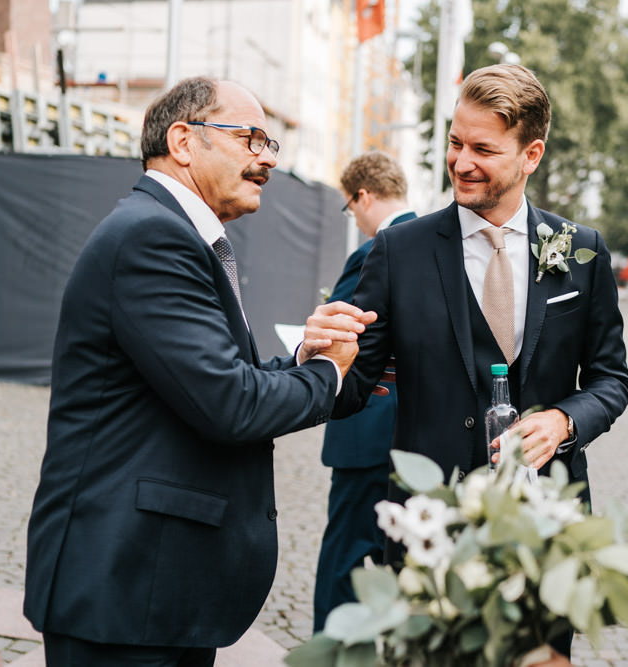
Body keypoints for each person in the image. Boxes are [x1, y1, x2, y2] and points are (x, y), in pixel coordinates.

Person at [23, 76, 373, 666]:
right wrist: (330, 374)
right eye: (251, 138)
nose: (266, 158)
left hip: (157, 588)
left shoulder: (171, 232)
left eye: (271, 144)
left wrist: (301, 361)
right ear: (183, 141)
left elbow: (208, 380)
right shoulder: (153, 236)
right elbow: (229, 404)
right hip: (126, 591)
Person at [330, 64, 628, 656]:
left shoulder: (581, 251)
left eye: (483, 149)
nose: (461, 161)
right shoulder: (398, 251)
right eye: (454, 143)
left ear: (531, 154)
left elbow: (611, 379)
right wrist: (324, 357)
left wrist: (566, 421)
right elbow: (352, 384)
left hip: (544, 536)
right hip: (429, 534)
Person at [313, 151, 417, 630]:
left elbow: (347, 332)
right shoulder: (432, 240)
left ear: (364, 195)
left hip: (367, 425)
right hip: (413, 432)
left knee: (344, 558)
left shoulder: (377, 248)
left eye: (349, 206)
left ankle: (329, 653)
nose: (353, 216)